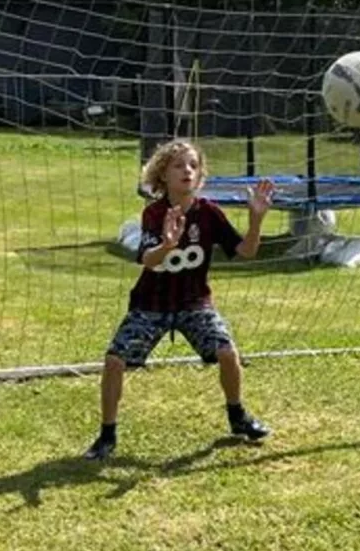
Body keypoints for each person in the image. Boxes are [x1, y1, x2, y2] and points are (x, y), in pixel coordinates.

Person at [84, 139, 274, 461]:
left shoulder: (210, 213)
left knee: (227, 352)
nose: (187, 170)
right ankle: (107, 435)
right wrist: (168, 245)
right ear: (163, 175)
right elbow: (149, 261)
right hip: (150, 304)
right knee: (114, 360)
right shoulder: (154, 213)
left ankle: (237, 415)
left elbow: (246, 251)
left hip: (194, 303)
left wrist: (256, 220)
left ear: (199, 176)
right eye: (178, 165)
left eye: (193, 165)